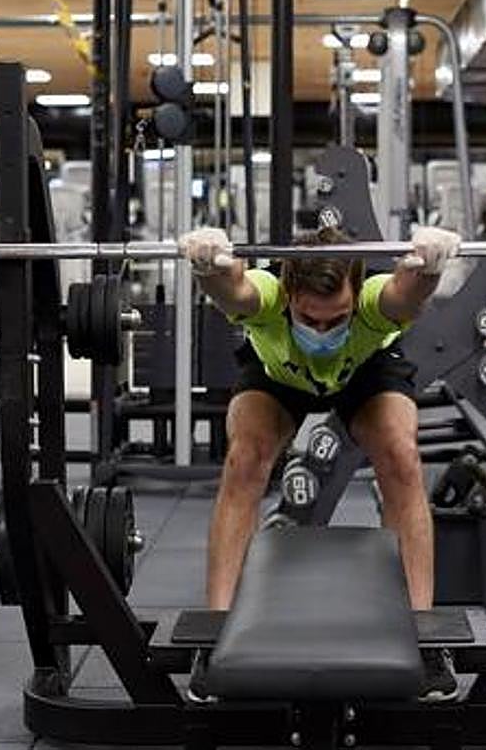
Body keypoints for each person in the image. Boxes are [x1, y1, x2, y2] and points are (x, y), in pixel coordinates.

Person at [179, 223, 464, 701]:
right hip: (279, 374)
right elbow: (234, 290)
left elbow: (405, 296)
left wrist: (430, 270)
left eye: (336, 321)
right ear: (289, 292)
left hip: (364, 371)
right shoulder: (270, 296)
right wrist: (208, 267)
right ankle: (216, 637)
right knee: (244, 460)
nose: (322, 332)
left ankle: (423, 639)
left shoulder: (370, 301)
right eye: (309, 319)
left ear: (354, 293)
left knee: (402, 456)